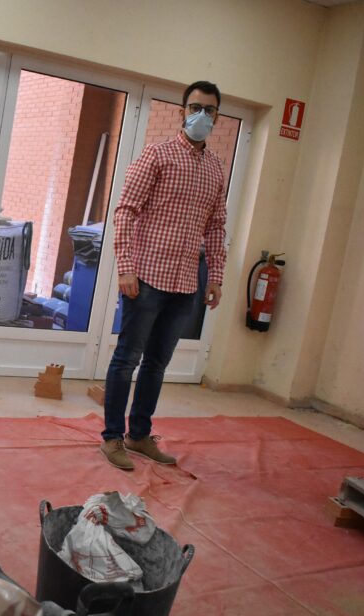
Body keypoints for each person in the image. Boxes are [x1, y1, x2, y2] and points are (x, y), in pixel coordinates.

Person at [100, 80, 228, 471]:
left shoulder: (215, 169)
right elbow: (125, 211)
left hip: (185, 283)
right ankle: (112, 438)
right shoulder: (156, 156)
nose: (200, 116)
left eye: (208, 110)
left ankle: (139, 435)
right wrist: (125, 268)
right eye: (194, 108)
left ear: (217, 116)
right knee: (127, 359)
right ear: (181, 111)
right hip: (147, 277)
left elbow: (217, 226)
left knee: (157, 364)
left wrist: (216, 276)